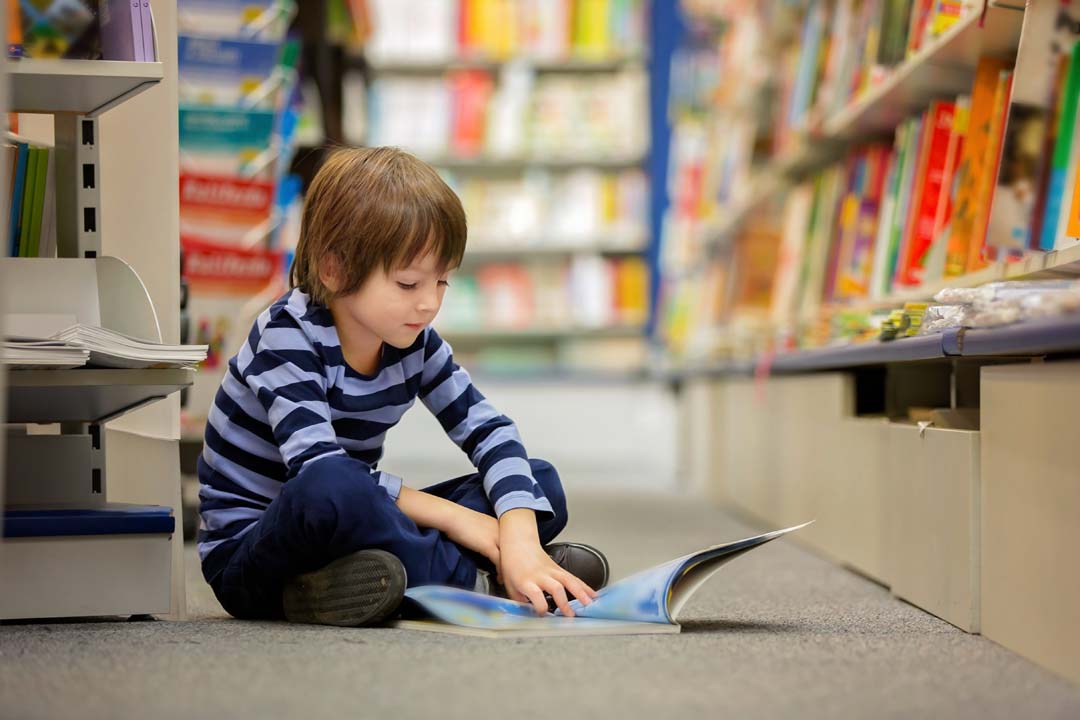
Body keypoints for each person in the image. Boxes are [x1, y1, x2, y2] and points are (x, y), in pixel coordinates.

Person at [196, 147, 609, 627]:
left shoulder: (415, 343)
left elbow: (490, 432)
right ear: (335, 269)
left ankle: (384, 581)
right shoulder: (286, 335)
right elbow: (318, 470)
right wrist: (462, 521)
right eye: (409, 284)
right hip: (252, 557)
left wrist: (515, 534)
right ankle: (483, 582)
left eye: (442, 283)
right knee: (333, 486)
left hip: (351, 529)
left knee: (538, 481)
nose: (429, 304)